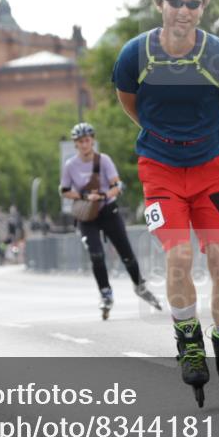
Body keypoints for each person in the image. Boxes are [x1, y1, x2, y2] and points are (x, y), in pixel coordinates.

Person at [112, 0, 219, 406]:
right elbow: (130, 102)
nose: (183, 11)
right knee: (178, 256)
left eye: (193, 4)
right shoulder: (134, 55)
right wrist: (163, 138)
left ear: (203, 7)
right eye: (175, 1)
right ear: (159, 3)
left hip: (212, 168)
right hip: (159, 168)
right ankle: (189, 343)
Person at [60, 122, 162, 320]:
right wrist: (83, 196)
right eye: (80, 141)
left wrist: (104, 195)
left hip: (108, 210)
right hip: (86, 215)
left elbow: (118, 185)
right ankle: (105, 293)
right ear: (76, 144)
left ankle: (139, 284)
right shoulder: (70, 165)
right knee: (96, 255)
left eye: (87, 140)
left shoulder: (103, 160)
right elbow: (64, 191)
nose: (84, 144)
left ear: (93, 141)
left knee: (126, 253)